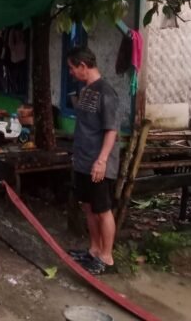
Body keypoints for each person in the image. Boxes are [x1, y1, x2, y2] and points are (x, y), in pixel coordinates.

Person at [65, 46, 120, 275]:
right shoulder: (87, 90)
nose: (70, 72)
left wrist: (102, 160)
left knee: (102, 209)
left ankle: (106, 258)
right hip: (83, 160)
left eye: (71, 68)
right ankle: (94, 250)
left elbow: (111, 130)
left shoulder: (106, 92)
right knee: (88, 207)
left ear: (83, 66)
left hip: (98, 163)